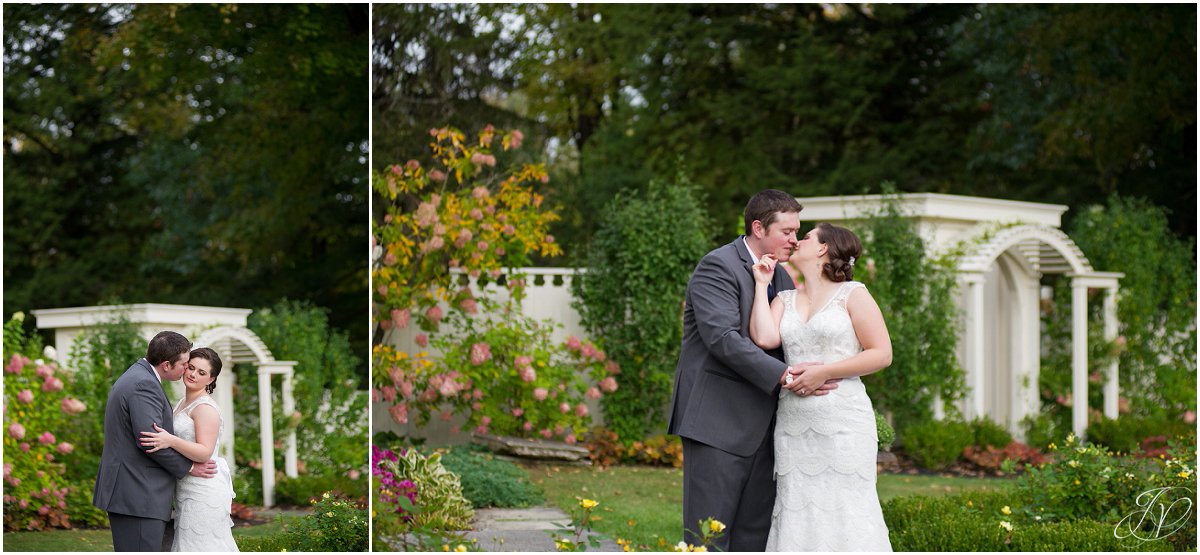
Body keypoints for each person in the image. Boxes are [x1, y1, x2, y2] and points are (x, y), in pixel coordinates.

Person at [667, 189, 840, 551]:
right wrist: (783, 376)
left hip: (770, 428)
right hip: (718, 421)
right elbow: (723, 339)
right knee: (709, 537)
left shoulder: (783, 279)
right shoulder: (717, 266)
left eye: (797, 232)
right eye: (787, 231)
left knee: (753, 538)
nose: (794, 240)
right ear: (759, 227)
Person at [750, 222, 893, 551]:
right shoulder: (784, 298)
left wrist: (825, 371)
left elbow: (882, 354)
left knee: (846, 509)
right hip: (794, 425)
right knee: (797, 508)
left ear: (823, 249)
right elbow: (764, 337)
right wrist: (761, 285)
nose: (796, 241)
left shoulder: (854, 295)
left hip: (843, 423)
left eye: (806, 236)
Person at [93, 331, 219, 552]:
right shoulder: (144, 384)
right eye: (185, 365)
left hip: (135, 492)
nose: (186, 371)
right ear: (167, 365)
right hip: (138, 493)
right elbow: (150, 442)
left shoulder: (138, 376)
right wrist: (189, 467)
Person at [140, 347, 239, 552]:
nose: (193, 374)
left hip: (203, 491)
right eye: (191, 367)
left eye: (202, 372)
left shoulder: (205, 408)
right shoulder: (184, 402)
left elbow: (204, 452)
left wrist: (170, 441)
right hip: (187, 488)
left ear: (211, 380)